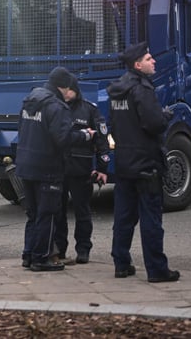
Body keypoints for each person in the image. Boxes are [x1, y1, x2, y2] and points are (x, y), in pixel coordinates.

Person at [106, 41, 179, 282]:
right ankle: (157, 270)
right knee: (151, 219)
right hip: (146, 164)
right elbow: (154, 124)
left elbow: (114, 126)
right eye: (149, 59)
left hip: (125, 163)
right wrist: (165, 115)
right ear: (138, 65)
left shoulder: (117, 91)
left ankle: (121, 264)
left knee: (124, 217)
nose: (154, 61)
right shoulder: (142, 89)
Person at [16, 66, 92, 272]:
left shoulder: (31, 99)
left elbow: (21, 129)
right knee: (47, 214)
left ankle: (29, 254)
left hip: (25, 164)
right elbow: (63, 139)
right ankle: (42, 258)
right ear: (64, 87)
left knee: (32, 214)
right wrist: (85, 135)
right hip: (47, 167)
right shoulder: (56, 106)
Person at [54, 77, 110, 265]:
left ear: (75, 90)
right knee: (58, 212)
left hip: (81, 169)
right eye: (64, 90)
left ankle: (83, 249)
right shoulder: (56, 107)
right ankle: (59, 249)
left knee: (82, 212)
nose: (66, 93)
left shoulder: (89, 109)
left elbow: (101, 139)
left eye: (69, 90)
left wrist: (103, 168)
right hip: (59, 168)